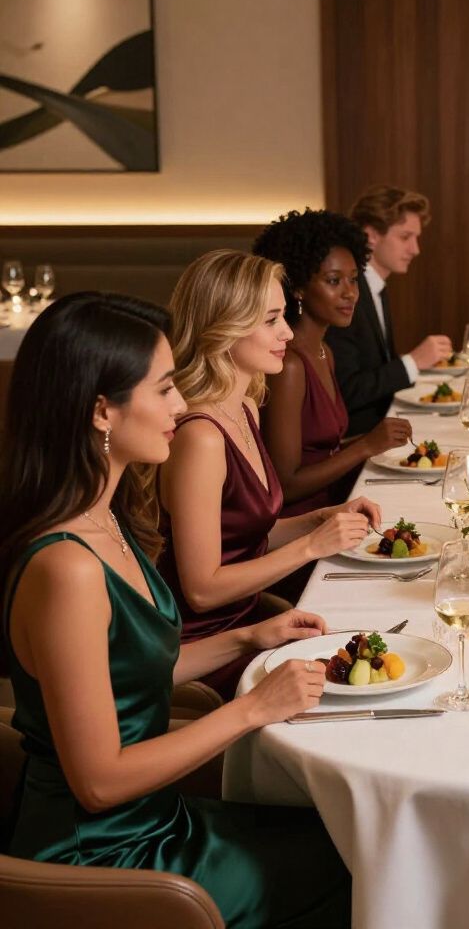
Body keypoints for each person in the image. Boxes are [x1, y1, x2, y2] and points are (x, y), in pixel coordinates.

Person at [0, 292, 350, 928]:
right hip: (105, 857)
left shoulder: (103, 518)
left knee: (349, 838)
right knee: (351, 864)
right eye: (164, 390)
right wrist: (254, 709)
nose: (182, 406)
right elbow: (99, 781)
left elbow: (126, 680)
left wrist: (247, 639)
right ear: (102, 410)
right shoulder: (68, 566)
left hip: (159, 821)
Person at [159, 250, 380, 697]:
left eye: (285, 315)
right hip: (204, 645)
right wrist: (312, 546)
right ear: (224, 327)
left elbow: (246, 533)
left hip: (253, 621)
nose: (286, 333)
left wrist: (321, 519)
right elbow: (201, 590)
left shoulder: (243, 406)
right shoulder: (200, 435)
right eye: (271, 320)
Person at [252, 207, 413, 514]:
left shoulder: (324, 350)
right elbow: (285, 484)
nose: (350, 294)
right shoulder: (289, 365)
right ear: (298, 286)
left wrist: (376, 441)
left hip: (338, 504)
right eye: (333, 281)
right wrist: (366, 445)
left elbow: (324, 451)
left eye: (353, 280)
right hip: (305, 522)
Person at [325, 185, 453, 434]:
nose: (415, 249)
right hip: (356, 437)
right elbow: (347, 391)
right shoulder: (348, 294)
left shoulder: (375, 287)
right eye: (405, 237)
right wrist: (413, 362)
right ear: (371, 235)